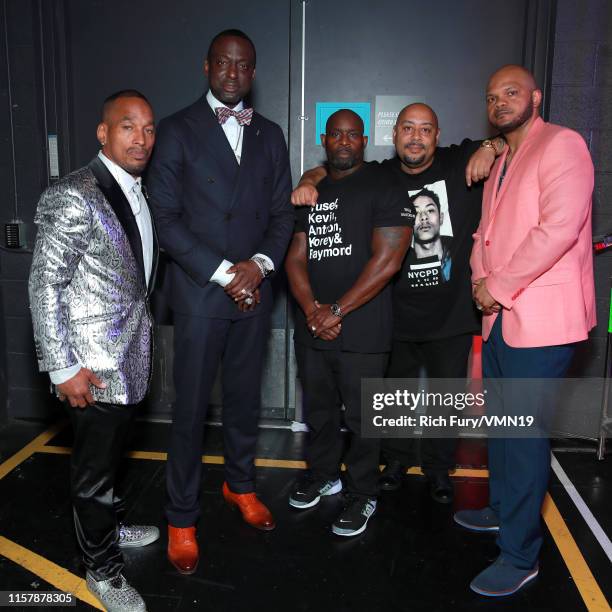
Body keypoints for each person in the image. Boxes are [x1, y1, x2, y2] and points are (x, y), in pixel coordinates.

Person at [292, 103, 505, 503]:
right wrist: (309, 176)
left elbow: (505, 138)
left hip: (451, 313)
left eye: (425, 129)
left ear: (437, 136)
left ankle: (440, 470)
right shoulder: (379, 174)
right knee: (393, 398)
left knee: (446, 398)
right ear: (394, 136)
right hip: (396, 312)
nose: (416, 136)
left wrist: (490, 146)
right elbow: (333, 169)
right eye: (408, 128)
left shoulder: (459, 160)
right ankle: (395, 461)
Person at [147, 29, 293, 574]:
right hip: (201, 292)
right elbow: (164, 218)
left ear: (253, 74)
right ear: (207, 66)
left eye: (244, 66)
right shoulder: (176, 130)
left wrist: (258, 267)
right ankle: (181, 517)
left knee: (244, 401)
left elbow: (282, 215)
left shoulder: (272, 136)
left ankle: (241, 486)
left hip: (253, 292)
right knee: (189, 411)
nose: (233, 73)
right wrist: (224, 271)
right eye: (224, 64)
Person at [454, 65, 595, 597]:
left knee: (523, 436)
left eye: (511, 93)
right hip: (499, 319)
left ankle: (520, 556)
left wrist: (498, 285)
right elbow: (487, 232)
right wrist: (478, 278)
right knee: (503, 428)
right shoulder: (504, 156)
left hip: (541, 321)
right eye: (492, 97)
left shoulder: (564, 145)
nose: (500, 102)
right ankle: (500, 511)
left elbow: (557, 230)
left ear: (536, 97)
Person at [29, 90, 159, 612]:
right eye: (128, 127)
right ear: (103, 133)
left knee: (110, 463)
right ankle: (102, 572)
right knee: (93, 473)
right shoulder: (74, 193)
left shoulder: (135, 188)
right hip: (92, 367)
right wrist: (62, 367)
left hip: (129, 355)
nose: (141, 138)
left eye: (149, 129)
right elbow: (44, 285)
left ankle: (112, 526)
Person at [285, 109, 413, 536]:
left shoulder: (385, 184)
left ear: (363, 141)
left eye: (352, 135)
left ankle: (363, 494)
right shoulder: (312, 190)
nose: (344, 141)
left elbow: (389, 260)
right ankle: (323, 473)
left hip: (363, 328)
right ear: (325, 139)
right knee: (319, 411)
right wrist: (311, 312)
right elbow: (295, 256)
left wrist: (335, 311)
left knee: (363, 419)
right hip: (314, 325)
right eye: (336, 135)